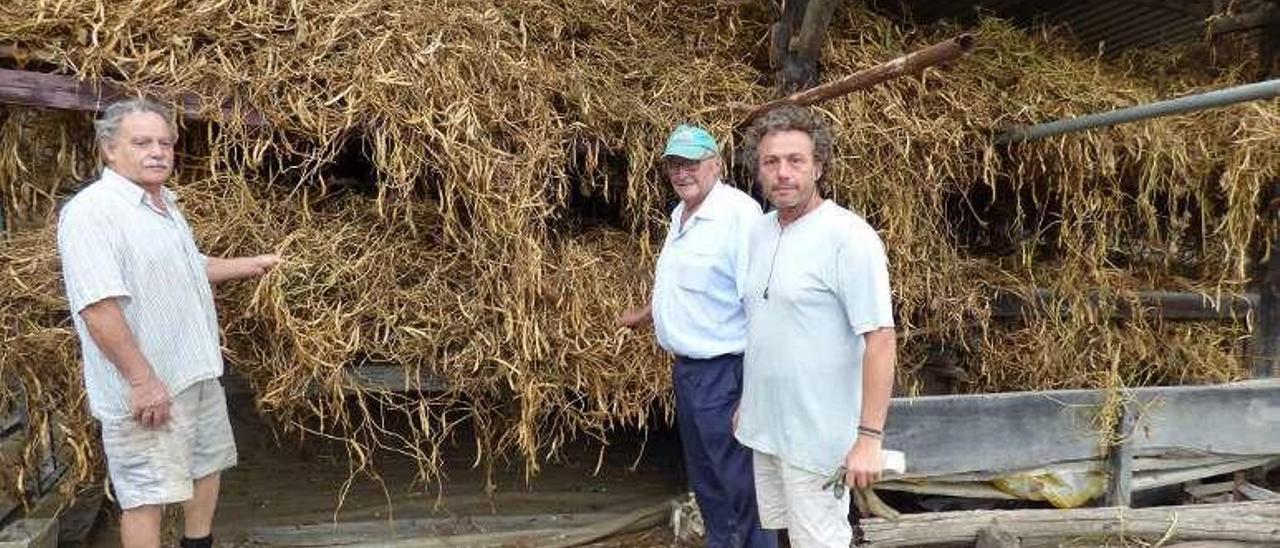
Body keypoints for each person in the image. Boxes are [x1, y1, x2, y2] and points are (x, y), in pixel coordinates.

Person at [57, 98, 281, 548]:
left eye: (165, 143)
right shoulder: (93, 213)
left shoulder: (163, 205)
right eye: (141, 142)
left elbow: (189, 266)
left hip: (194, 372)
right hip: (147, 388)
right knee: (146, 495)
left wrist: (251, 264)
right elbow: (98, 306)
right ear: (109, 150)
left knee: (206, 468)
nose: (157, 152)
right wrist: (143, 381)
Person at [734, 104, 897, 548]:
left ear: (818, 167)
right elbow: (765, 323)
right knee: (790, 533)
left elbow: (880, 340)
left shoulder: (848, 237)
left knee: (822, 540)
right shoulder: (759, 232)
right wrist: (750, 402)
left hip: (818, 435)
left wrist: (868, 439)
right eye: (771, 162)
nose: (782, 173)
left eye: (795, 161)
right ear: (758, 170)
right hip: (768, 426)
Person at [618, 124, 776, 548]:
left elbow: (762, 301)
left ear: (717, 165)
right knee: (706, 480)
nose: (681, 172)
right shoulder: (681, 213)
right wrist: (647, 314)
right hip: (690, 372)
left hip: (727, 371)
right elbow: (695, 285)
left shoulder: (739, 216)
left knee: (740, 483)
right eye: (674, 164)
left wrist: (752, 389)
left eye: (691, 163)